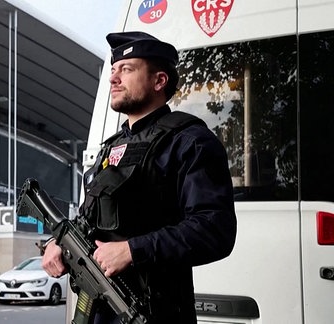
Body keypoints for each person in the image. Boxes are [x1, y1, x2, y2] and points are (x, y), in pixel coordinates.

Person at [41, 31, 237, 324]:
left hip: (153, 314)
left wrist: (133, 250)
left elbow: (215, 230)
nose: (113, 79)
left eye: (127, 69)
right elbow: (89, 220)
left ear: (159, 81)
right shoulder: (112, 147)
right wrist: (58, 243)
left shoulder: (190, 142)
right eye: (113, 71)